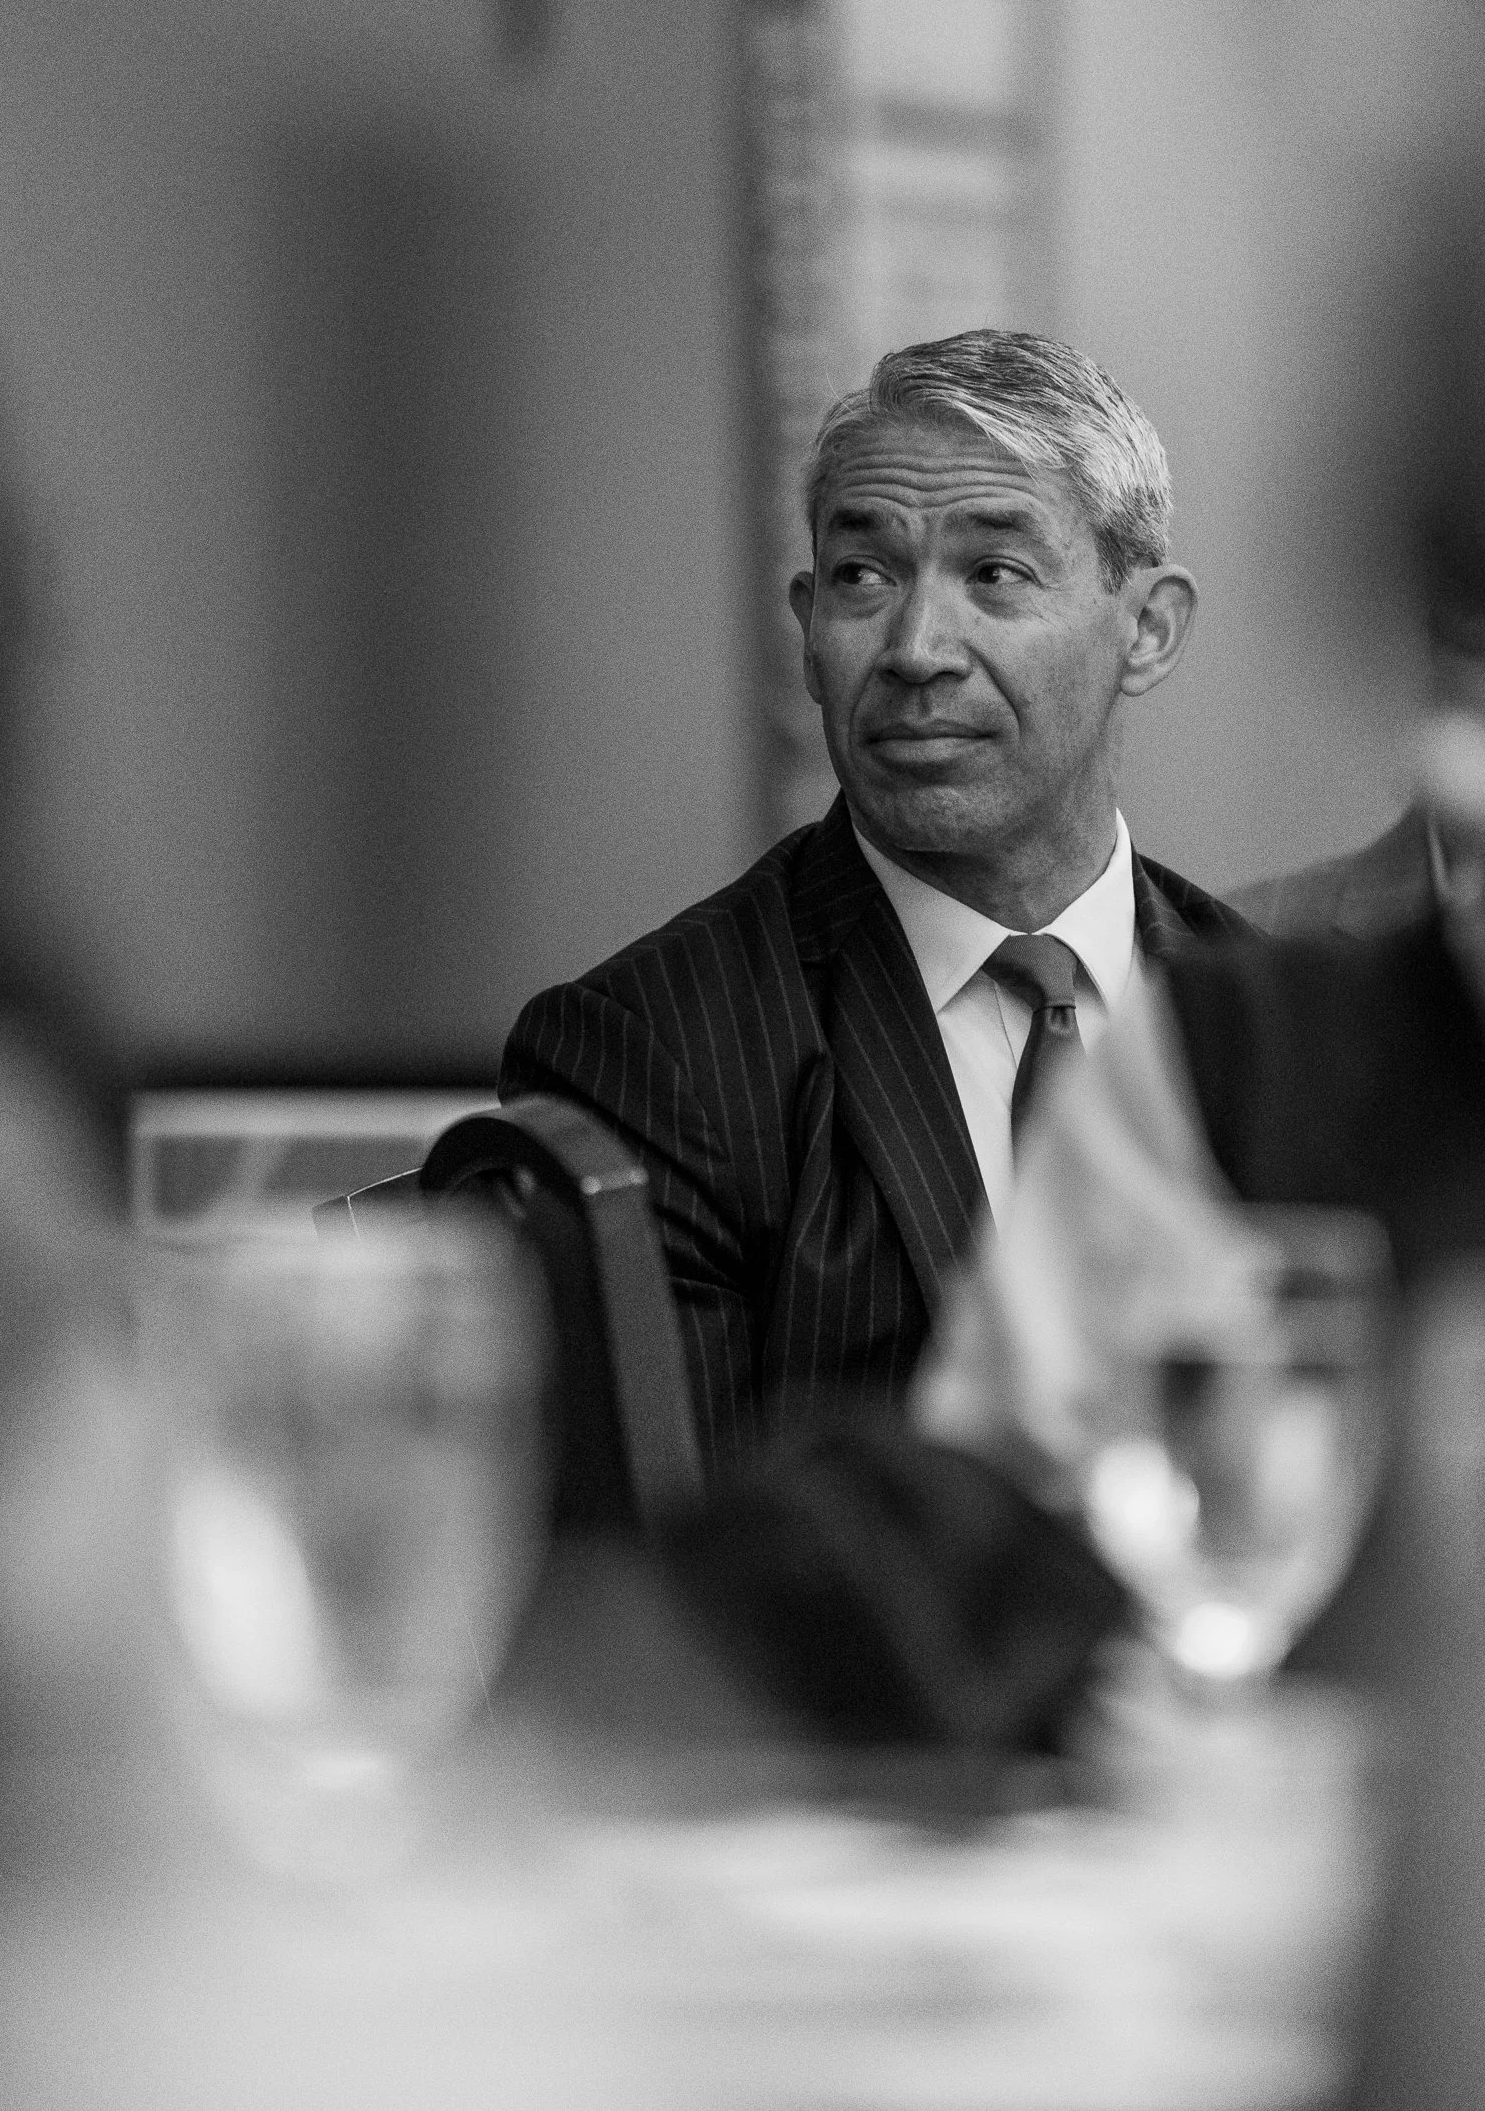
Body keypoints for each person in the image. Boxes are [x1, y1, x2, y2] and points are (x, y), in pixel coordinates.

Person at [500, 329, 1246, 1474]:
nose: (913, 649)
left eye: (993, 575)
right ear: (806, 629)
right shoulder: (656, 1053)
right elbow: (681, 1575)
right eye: (862, 577)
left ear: (1145, 629)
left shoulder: (1264, 1019)